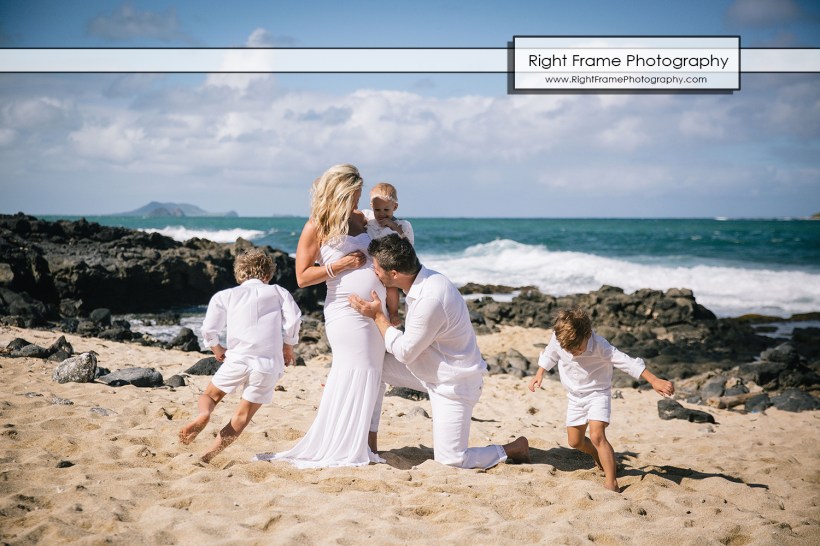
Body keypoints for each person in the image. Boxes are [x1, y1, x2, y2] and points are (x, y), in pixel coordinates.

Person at [349, 234, 530, 469]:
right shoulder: (419, 282)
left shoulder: (430, 297)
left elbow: (404, 353)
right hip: (427, 372)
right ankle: (369, 441)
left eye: (376, 268)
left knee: (451, 460)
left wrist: (378, 317)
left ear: (394, 274)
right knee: (374, 367)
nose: (374, 272)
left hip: (454, 383)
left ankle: (513, 448)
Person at [254, 163, 388, 468]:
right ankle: (349, 445)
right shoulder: (318, 225)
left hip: (375, 311)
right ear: (338, 194)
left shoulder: (363, 219)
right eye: (353, 196)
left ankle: (365, 444)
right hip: (344, 310)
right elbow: (302, 277)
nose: (357, 203)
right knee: (360, 369)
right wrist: (341, 266)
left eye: (359, 196)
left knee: (373, 374)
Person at [528, 308, 675, 492]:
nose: (573, 353)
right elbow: (550, 353)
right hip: (574, 396)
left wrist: (654, 380)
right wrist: (539, 373)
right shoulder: (560, 339)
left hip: (597, 393)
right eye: (569, 349)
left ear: (587, 334)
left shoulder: (600, 345)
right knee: (575, 442)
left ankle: (611, 481)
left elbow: (626, 361)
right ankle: (597, 454)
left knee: (597, 435)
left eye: (577, 348)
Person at [179, 248, 302, 463]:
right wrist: (288, 346)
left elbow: (209, 329)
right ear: (267, 275)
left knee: (210, 396)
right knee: (242, 416)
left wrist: (217, 349)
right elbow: (294, 319)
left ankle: (203, 415)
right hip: (268, 365)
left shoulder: (225, 295)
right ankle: (207, 457)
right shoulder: (278, 292)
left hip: (237, 359)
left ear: (239, 274)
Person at [361, 182, 414, 327]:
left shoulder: (402, 225)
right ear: (372, 206)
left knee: (391, 287)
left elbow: (408, 247)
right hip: (370, 263)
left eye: (386, 210)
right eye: (377, 209)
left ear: (395, 207)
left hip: (388, 265)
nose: (381, 214)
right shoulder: (368, 218)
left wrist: (395, 228)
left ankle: (394, 313)